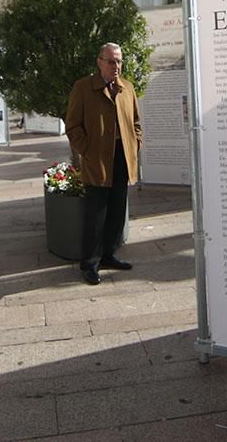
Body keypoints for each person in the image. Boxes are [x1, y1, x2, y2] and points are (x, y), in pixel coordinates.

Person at [65, 42, 142, 285]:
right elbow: (73, 126)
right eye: (111, 61)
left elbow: (137, 123)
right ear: (99, 62)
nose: (116, 66)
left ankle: (109, 255)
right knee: (95, 215)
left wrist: (135, 144)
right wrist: (87, 150)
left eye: (119, 61)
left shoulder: (127, 88)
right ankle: (89, 263)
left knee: (117, 212)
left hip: (122, 159)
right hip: (97, 160)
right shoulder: (83, 88)